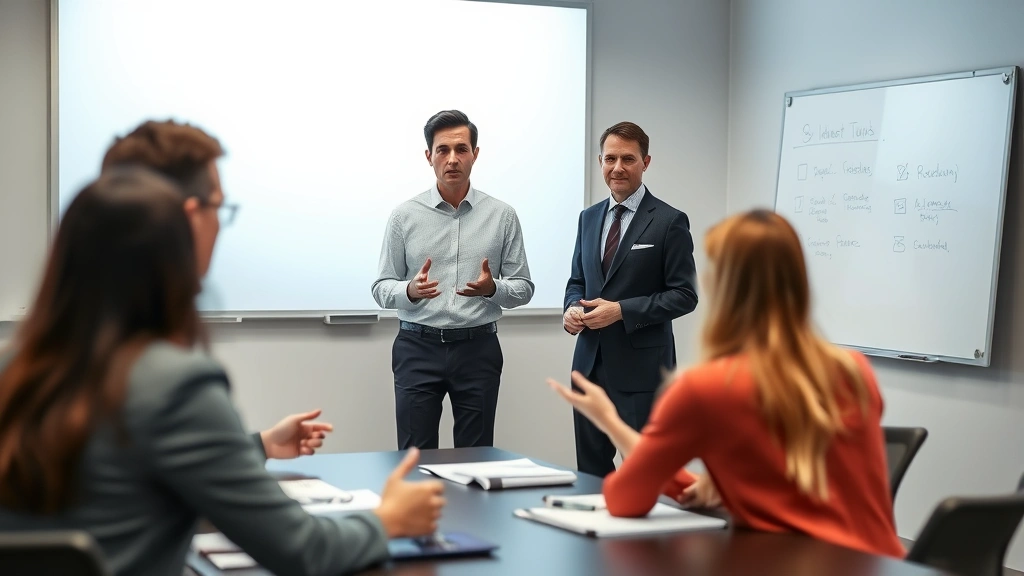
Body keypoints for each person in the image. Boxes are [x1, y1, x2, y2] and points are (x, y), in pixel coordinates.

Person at [0, 168, 446, 576]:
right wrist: (387, 520)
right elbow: (304, 550)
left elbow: (121, 468)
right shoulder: (175, 384)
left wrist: (259, 445)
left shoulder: (14, 367)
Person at [549, 209, 904, 558]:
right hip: (879, 565)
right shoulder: (855, 370)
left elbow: (625, 499)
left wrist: (609, 421)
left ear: (724, 285)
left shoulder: (710, 387)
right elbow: (786, 484)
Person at [100, 119, 325, 458]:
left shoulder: (25, 367)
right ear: (191, 217)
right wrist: (390, 511)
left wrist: (260, 445)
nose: (220, 223)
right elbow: (271, 513)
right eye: (218, 207)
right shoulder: (175, 382)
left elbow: (157, 464)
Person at [372, 110, 534, 450]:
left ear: (475, 154)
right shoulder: (405, 216)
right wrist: (410, 291)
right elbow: (381, 286)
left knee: (475, 457)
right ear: (429, 156)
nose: (452, 159)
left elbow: (523, 287)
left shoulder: (502, 215)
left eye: (461, 149)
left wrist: (493, 289)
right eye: (443, 150)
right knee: (415, 458)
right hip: (417, 347)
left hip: (478, 349)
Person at [562, 121, 698, 477]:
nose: (617, 167)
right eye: (610, 159)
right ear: (600, 161)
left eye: (628, 159)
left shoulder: (669, 221)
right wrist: (571, 310)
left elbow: (685, 295)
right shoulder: (588, 218)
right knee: (590, 475)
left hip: (642, 374)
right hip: (589, 368)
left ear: (645, 162)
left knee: (644, 474)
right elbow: (578, 280)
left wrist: (621, 311)